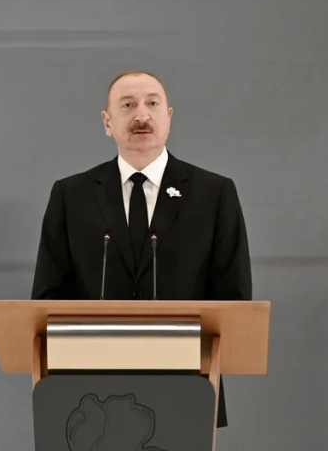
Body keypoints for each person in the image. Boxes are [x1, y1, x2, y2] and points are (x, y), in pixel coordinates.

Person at [31, 69, 253, 428]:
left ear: (169, 117)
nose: (141, 115)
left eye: (152, 103)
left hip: (186, 386)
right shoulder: (71, 195)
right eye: (127, 105)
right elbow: (48, 297)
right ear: (107, 122)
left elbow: (233, 298)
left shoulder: (213, 193)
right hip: (90, 395)